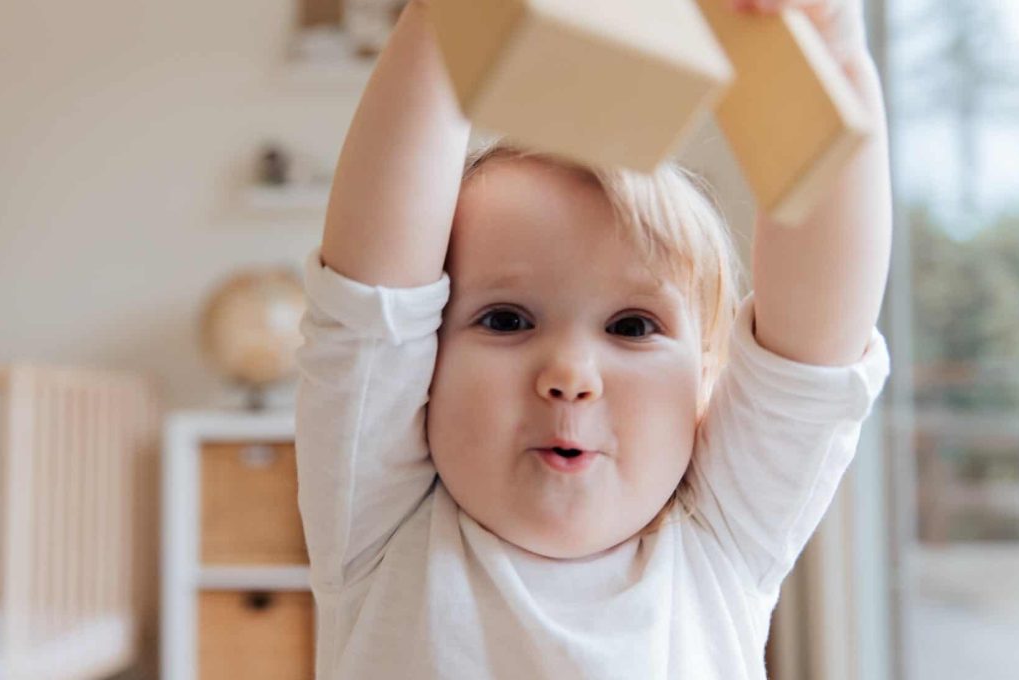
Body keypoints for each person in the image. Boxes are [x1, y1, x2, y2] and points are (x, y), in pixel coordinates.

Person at [294, 0, 892, 677]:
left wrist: (832, 57)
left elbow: (814, 353)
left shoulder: (721, 538)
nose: (570, 373)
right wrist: (450, 16)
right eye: (507, 320)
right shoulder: (381, 523)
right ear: (422, 367)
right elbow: (371, 306)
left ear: (704, 379)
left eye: (633, 327)